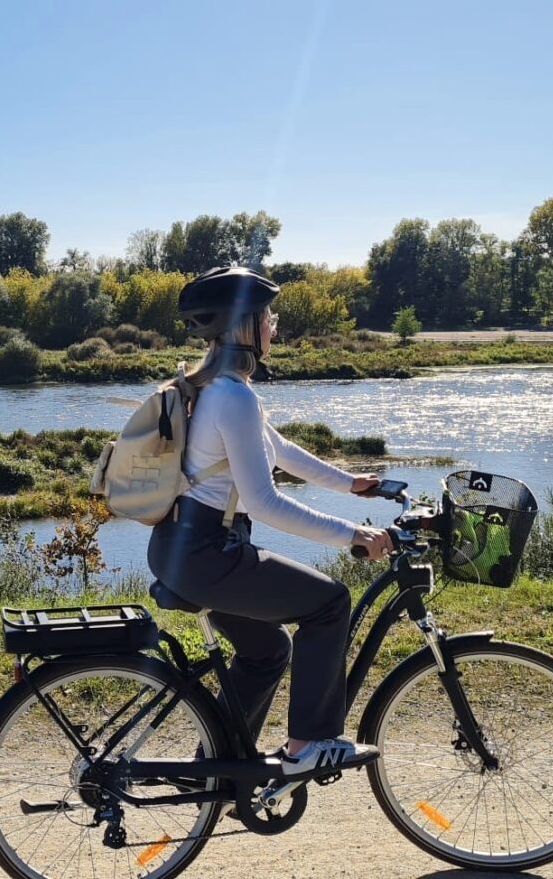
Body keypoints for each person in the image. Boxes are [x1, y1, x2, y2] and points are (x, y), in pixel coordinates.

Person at [147, 266, 392, 777]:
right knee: (329, 603)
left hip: (183, 549)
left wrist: (350, 483)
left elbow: (280, 450)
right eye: (267, 318)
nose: (273, 327)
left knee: (267, 649)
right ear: (243, 326)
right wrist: (353, 534)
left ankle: (220, 769)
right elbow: (263, 503)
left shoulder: (216, 388)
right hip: (208, 554)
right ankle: (308, 745)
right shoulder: (233, 396)